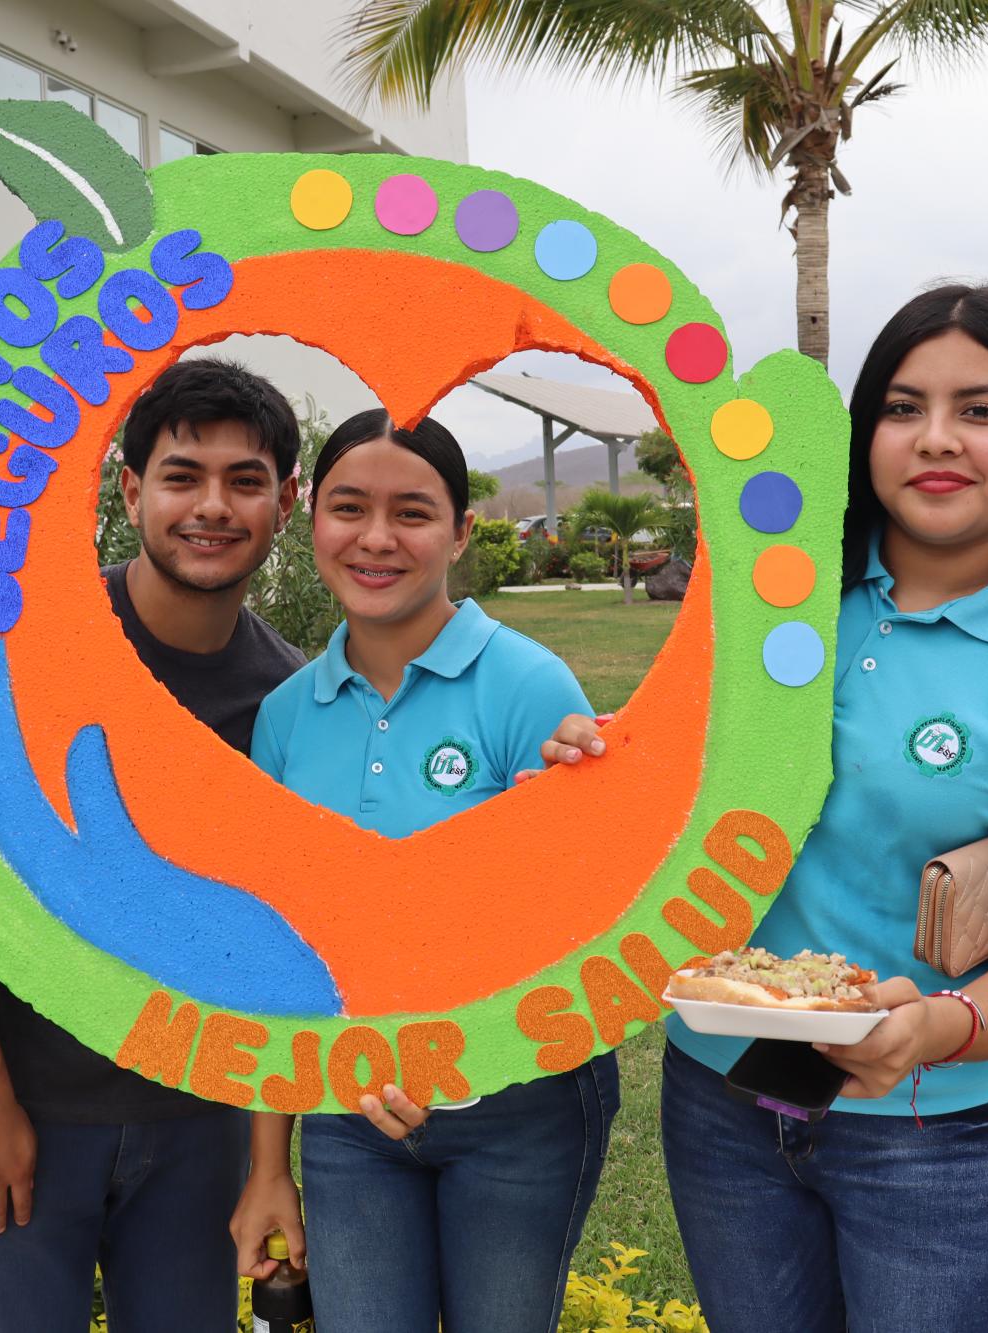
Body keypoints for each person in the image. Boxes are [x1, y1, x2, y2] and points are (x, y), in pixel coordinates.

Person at [549, 285, 988, 1332]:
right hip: (726, 1089)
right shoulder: (771, 609)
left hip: (931, 1133)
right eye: (899, 405)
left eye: (979, 409)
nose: (934, 439)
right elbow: (668, 792)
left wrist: (922, 1026)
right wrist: (593, 760)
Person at [0, 357, 306, 1332]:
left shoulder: (287, 704)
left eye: (244, 481)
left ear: (286, 501)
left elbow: (289, 941)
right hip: (27, 1117)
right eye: (181, 475)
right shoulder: (35, 651)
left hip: (199, 1130)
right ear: (129, 488)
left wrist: (264, 1161)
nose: (211, 506)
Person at [226, 409, 621, 1333]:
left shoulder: (527, 686)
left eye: (412, 512)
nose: (375, 538)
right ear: (311, 516)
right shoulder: (286, 716)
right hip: (344, 1105)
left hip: (518, 1106)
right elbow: (277, 942)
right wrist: (268, 1164)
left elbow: (585, 909)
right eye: (349, 506)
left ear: (461, 531)